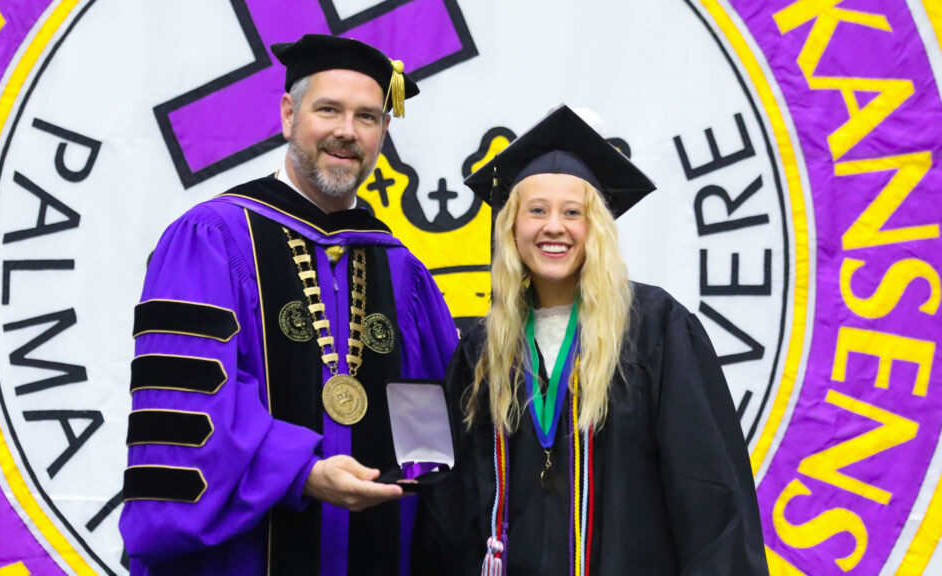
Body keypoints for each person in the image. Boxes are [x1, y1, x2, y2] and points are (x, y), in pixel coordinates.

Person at [119, 34, 458, 576]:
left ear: (382, 133)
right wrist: (300, 471)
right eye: (329, 110)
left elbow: (440, 411)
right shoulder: (213, 237)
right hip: (244, 557)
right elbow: (193, 402)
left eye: (367, 117)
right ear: (287, 114)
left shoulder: (400, 268)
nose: (347, 132)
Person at [415, 105, 769, 575]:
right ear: (512, 226)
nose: (553, 227)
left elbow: (706, 493)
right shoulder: (483, 349)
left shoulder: (655, 330)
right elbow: (456, 507)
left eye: (573, 213)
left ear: (596, 228)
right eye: (536, 211)